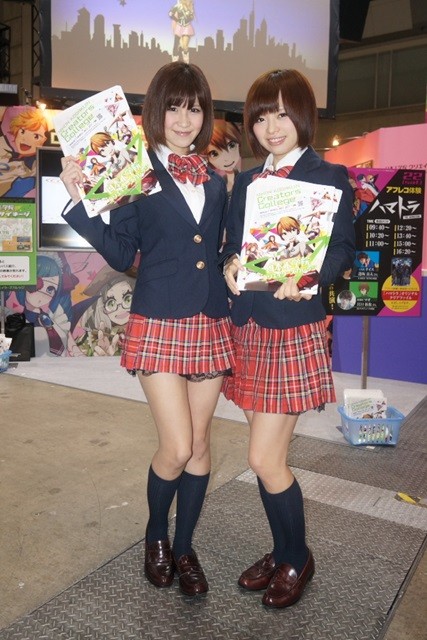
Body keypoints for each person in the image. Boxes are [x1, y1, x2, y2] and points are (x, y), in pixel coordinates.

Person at [59, 62, 234, 597]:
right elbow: (122, 252)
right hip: (159, 319)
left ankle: (185, 547)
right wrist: (80, 202)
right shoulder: (133, 172)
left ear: (205, 115)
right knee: (176, 446)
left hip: (210, 317)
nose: (184, 119)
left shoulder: (215, 178)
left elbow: (217, 248)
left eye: (195, 108)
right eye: (174, 107)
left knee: (200, 444)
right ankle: (156, 535)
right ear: (156, 111)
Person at [222, 69, 355, 608]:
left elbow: (342, 249)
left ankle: (297, 557)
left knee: (263, 458)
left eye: (281, 113)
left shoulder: (329, 176)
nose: (271, 127)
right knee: (268, 455)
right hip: (250, 327)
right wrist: (231, 264)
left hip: (293, 328)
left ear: (302, 114)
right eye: (260, 117)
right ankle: (282, 551)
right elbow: (234, 244)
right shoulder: (247, 182)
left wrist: (310, 277)